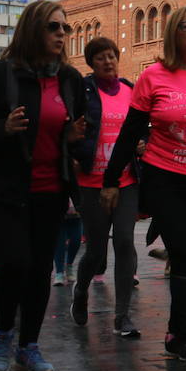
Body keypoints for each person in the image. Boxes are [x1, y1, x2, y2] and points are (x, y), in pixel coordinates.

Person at [101, 5, 186, 371]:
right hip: (167, 178)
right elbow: (131, 132)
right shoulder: (154, 77)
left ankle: (176, 333)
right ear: (174, 33)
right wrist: (111, 179)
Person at [0, 0, 87, 371]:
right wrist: (3, 129)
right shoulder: (2, 74)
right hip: (7, 188)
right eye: (53, 27)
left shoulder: (69, 80)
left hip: (51, 188)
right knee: (15, 262)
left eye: (64, 28)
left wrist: (74, 136)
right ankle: (2, 334)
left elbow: (73, 137)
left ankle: (29, 344)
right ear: (33, 30)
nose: (61, 34)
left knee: (40, 268)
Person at [71, 36, 141, 336]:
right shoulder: (82, 92)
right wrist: (74, 149)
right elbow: (70, 130)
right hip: (91, 182)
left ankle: (122, 316)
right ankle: (81, 289)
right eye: (101, 57)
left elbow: (144, 126)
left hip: (126, 180)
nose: (108, 61)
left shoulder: (130, 89)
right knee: (97, 250)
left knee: (125, 241)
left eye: (111, 55)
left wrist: (143, 143)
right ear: (91, 62)